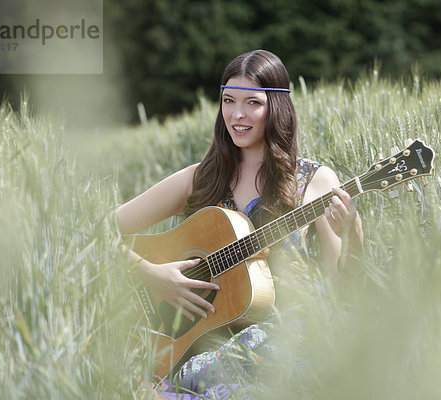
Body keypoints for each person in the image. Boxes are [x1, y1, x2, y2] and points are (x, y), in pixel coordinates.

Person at [114, 49, 363, 393]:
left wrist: (352, 234)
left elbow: (342, 292)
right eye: (228, 101)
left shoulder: (314, 182)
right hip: (199, 348)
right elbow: (96, 228)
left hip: (282, 345)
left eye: (252, 103)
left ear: (277, 108)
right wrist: (153, 275)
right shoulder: (198, 179)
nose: (237, 114)